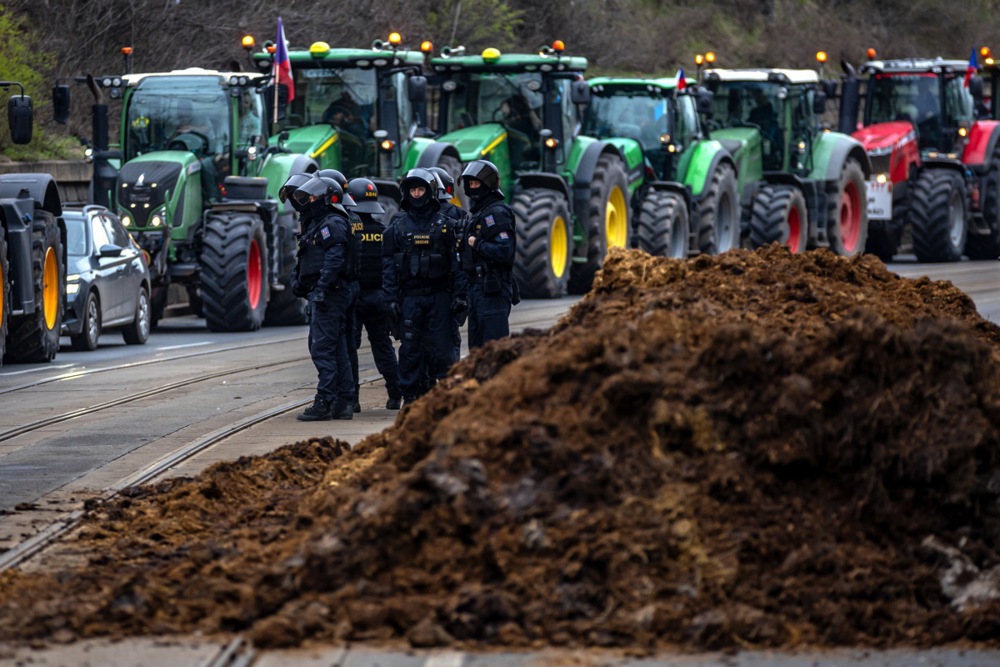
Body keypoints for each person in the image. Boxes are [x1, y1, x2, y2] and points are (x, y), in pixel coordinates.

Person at [382, 168, 467, 404]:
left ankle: (448, 397)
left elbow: (457, 265)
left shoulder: (447, 226)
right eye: (413, 190)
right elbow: (388, 267)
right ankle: (410, 398)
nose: (417, 194)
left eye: (421, 189)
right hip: (410, 298)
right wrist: (389, 300)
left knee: (443, 350)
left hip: (440, 297)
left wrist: (460, 296)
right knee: (410, 350)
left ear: (430, 192)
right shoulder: (397, 228)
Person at [289, 175, 359, 421]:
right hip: (326, 294)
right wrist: (299, 282)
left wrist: (321, 287)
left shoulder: (332, 223)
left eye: (314, 196)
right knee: (336, 348)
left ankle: (325, 401)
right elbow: (307, 259)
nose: (310, 201)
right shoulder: (317, 224)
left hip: (330, 295)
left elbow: (334, 259)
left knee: (323, 349)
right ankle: (344, 402)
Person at [347, 177, 403, 410]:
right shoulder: (384, 231)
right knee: (383, 347)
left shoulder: (349, 230)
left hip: (355, 298)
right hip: (379, 298)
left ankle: (353, 399)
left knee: (350, 349)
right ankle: (394, 394)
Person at [459, 159, 517, 348]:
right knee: (477, 351)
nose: (471, 188)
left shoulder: (496, 213)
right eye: (469, 184)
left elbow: (504, 251)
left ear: (487, 185)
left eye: (475, 183)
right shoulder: (478, 214)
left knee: (494, 350)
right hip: (477, 290)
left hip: (493, 289)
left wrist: (478, 244)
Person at [428, 166, 470, 362]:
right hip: (449, 286)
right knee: (449, 338)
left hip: (422, 289)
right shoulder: (460, 214)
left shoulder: (409, 216)